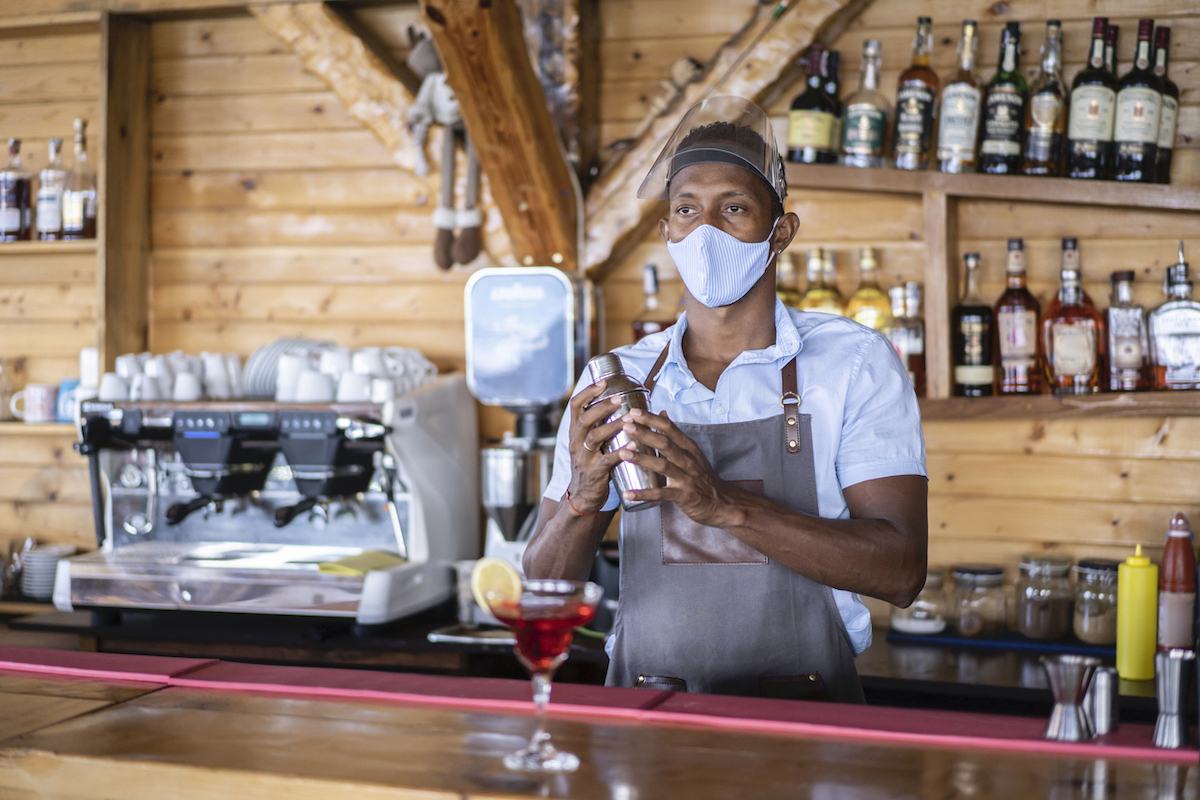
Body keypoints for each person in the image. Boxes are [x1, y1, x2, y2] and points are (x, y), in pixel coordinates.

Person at [524, 96, 927, 702]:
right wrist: (582, 499)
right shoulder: (616, 381)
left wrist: (721, 503)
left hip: (805, 715)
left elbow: (901, 572)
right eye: (687, 209)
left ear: (780, 232)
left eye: (733, 208)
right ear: (667, 233)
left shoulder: (854, 363)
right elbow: (543, 591)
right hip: (645, 713)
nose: (706, 230)